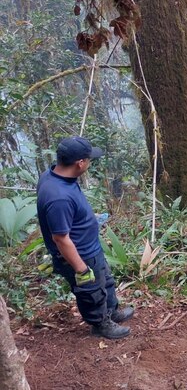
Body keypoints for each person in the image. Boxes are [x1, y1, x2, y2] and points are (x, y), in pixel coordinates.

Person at [36, 136, 134, 339]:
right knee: (91, 290)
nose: (89, 163)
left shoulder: (53, 175)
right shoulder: (58, 197)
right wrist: (80, 268)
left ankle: (112, 312)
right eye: (89, 159)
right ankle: (100, 325)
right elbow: (61, 238)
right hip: (79, 255)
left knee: (105, 281)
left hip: (91, 248)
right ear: (80, 163)